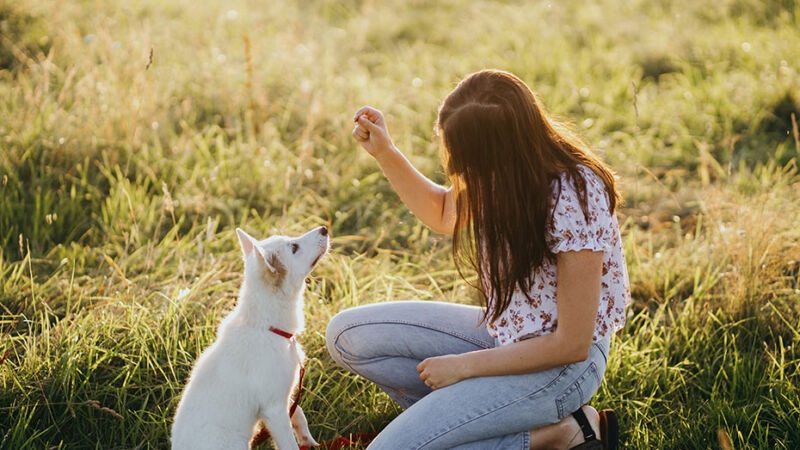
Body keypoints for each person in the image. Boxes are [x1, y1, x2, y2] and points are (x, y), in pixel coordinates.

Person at [326, 69, 630, 449]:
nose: (460, 170)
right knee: (347, 336)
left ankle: (554, 433)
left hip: (562, 370)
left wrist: (463, 367)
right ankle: (510, 429)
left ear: (499, 151)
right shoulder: (502, 173)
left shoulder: (574, 196)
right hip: (507, 336)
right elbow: (442, 213)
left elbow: (571, 345)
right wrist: (385, 152)